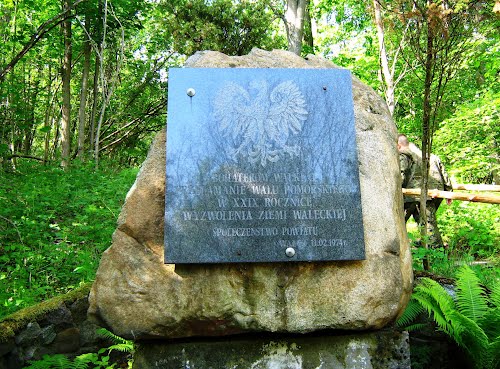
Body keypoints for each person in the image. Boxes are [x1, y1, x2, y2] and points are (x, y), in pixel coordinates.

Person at [398, 134, 452, 248]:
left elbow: (401, 174)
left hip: (412, 195)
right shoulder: (431, 156)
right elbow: (445, 175)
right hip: (434, 193)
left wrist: (396, 191)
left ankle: (433, 251)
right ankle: (434, 250)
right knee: (427, 223)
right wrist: (449, 192)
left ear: (398, 146)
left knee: (399, 222)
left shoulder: (405, 155)